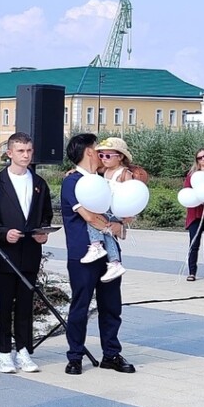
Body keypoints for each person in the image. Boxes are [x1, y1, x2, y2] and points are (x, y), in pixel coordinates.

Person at [61, 133, 135, 376]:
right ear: (89, 152)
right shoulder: (73, 182)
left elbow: (122, 212)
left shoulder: (103, 181)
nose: (101, 153)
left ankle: (111, 354)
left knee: (111, 306)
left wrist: (121, 224)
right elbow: (90, 217)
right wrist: (111, 228)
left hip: (109, 254)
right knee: (80, 305)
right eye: (97, 149)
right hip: (84, 254)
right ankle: (75, 356)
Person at [0, 132, 52, 374]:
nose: (26, 155)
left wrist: (43, 232)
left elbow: (46, 215)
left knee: (25, 304)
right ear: (9, 153)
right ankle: (4, 352)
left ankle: (24, 350)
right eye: (21, 151)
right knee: (4, 304)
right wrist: (4, 233)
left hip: (30, 252)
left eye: (29, 151)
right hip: (6, 253)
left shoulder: (39, 183)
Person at [80, 137, 137, 282]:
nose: (103, 159)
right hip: (107, 206)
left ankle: (96, 245)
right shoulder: (104, 170)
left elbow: (133, 193)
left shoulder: (124, 173)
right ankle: (114, 262)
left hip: (116, 208)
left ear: (120, 157)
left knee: (93, 218)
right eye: (101, 155)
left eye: (108, 156)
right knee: (108, 233)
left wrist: (129, 214)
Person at [184, 147, 204, 280]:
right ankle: (192, 272)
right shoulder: (192, 175)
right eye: (200, 157)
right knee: (194, 244)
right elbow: (187, 191)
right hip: (195, 215)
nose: (203, 159)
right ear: (197, 160)